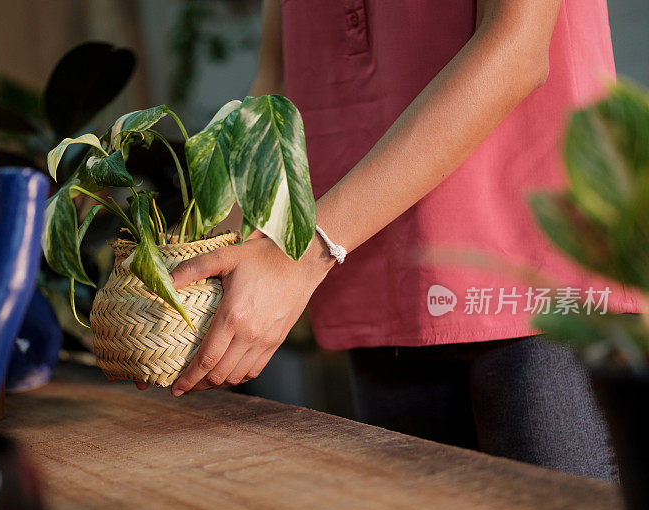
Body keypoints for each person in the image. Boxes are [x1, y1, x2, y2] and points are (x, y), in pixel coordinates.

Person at [142, 0, 644, 480]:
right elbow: (278, 83)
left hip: (531, 280)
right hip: (374, 278)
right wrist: (201, 266)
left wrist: (304, 256)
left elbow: (517, 49)